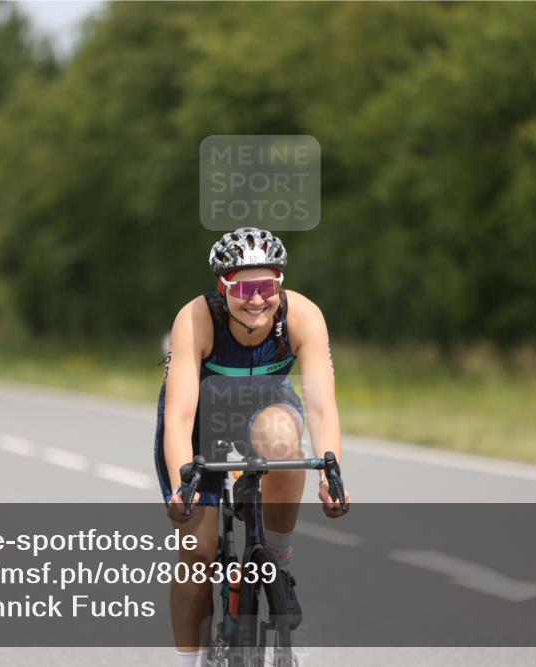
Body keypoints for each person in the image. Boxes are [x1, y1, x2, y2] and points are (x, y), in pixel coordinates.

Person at [153, 227, 351, 666]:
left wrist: (330, 474)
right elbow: (181, 417)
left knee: (283, 438)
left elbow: (321, 408)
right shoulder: (196, 319)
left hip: (268, 410)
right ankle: (190, 661)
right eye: (243, 288)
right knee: (197, 551)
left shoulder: (303, 317)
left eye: (267, 286)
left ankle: (276, 560)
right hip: (202, 422)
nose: (257, 299)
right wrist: (181, 485)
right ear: (223, 289)